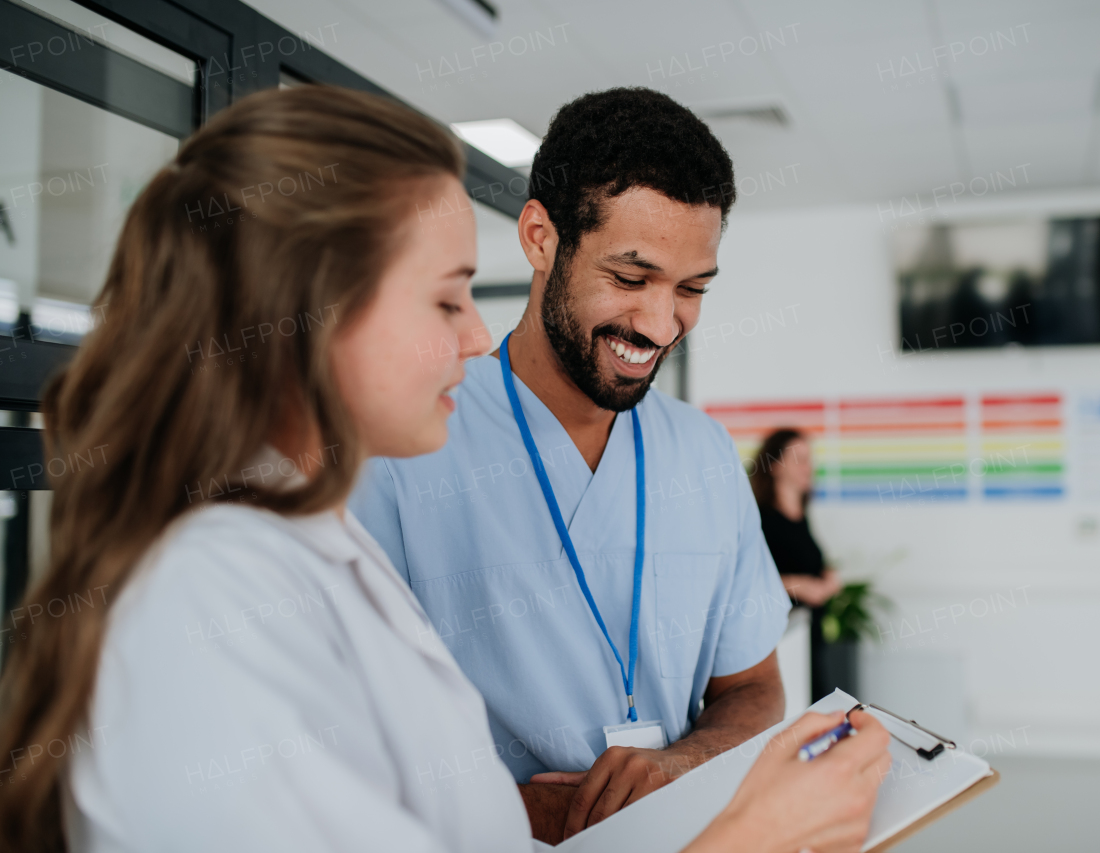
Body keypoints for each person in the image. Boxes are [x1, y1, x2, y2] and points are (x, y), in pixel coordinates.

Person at [0, 86, 892, 853]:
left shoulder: (312, 548)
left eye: (691, 288)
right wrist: (754, 834)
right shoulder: (212, 596)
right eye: (445, 295)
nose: (475, 336)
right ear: (312, 310)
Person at [349, 87, 792, 841]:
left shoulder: (705, 453)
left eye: (690, 290)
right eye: (630, 277)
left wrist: (680, 768)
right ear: (540, 238)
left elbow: (751, 688)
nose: (659, 324)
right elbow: (340, 744)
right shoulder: (399, 447)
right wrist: (537, 813)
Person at [750, 429, 842, 701]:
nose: (808, 468)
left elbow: (810, 562)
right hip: (780, 643)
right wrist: (798, 586)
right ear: (776, 466)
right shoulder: (761, 520)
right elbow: (750, 581)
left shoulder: (802, 515)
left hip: (810, 639)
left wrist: (827, 576)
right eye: (799, 459)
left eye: (809, 460)